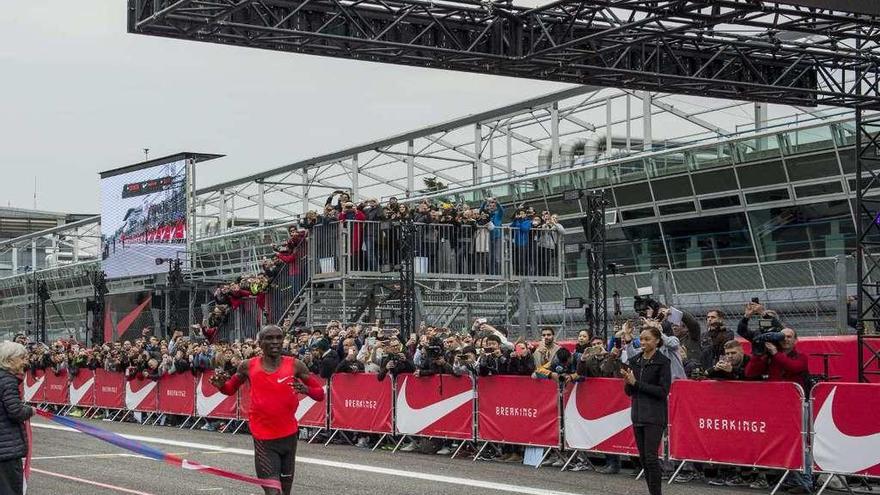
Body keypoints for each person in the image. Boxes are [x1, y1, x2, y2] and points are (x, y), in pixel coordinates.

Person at [210, 326, 325, 495]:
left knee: (285, 492)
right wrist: (220, 386)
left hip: (289, 436)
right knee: (273, 492)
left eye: (279, 338)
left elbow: (320, 394)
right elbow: (229, 389)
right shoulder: (247, 366)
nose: (275, 342)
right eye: (269, 338)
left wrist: (306, 389)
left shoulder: (296, 365)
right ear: (260, 343)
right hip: (263, 437)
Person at [622, 326, 671, 495]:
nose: (643, 342)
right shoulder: (635, 360)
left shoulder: (663, 361)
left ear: (657, 341)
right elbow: (629, 392)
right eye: (641, 339)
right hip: (637, 414)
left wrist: (636, 383)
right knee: (643, 459)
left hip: (655, 415)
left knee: (651, 458)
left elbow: (663, 391)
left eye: (647, 339)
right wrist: (628, 382)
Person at [0, 341, 35, 495]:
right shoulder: (7, 380)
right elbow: (15, 411)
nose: (24, 361)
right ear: (10, 359)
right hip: (7, 448)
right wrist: (30, 410)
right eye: (21, 357)